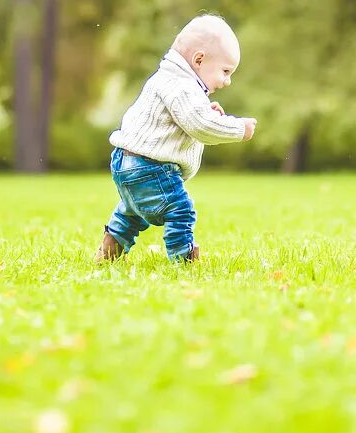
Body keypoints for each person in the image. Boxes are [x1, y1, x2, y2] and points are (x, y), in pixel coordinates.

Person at [95, 14, 257, 262]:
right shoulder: (182, 85)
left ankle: (108, 253)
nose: (227, 81)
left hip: (126, 164)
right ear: (199, 59)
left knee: (131, 213)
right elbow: (200, 125)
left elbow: (182, 121)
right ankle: (183, 259)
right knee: (180, 210)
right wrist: (238, 128)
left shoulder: (170, 80)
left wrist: (206, 110)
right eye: (225, 71)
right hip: (150, 168)